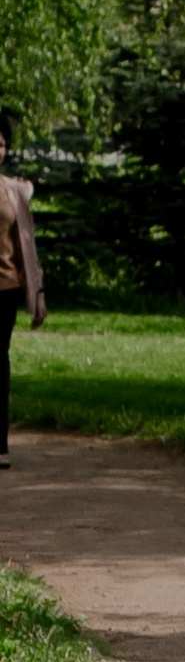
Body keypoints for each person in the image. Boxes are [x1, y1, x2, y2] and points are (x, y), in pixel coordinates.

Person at [0, 119, 47, 464]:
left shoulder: (13, 192)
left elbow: (27, 248)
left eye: (0, 144)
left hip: (6, 288)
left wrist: (38, 294)